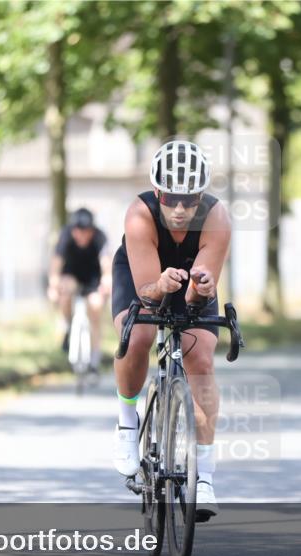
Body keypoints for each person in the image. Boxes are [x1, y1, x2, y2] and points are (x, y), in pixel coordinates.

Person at [110, 140, 231, 521]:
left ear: (201, 196)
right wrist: (161, 286)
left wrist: (201, 288)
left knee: (201, 358)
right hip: (142, 279)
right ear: (158, 192)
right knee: (140, 337)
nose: (180, 210)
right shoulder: (139, 215)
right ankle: (127, 422)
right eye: (172, 199)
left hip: (189, 283)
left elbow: (196, 302)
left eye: (190, 200)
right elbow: (147, 294)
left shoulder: (217, 218)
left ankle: (205, 475)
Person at [47, 207, 110, 373]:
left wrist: (106, 282)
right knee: (65, 291)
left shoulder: (100, 237)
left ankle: (95, 358)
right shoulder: (65, 235)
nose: (82, 236)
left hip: (93, 278)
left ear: (91, 230)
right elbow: (56, 264)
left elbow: (106, 264)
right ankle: (67, 325)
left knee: (95, 308)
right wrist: (53, 286)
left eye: (86, 232)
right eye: (78, 232)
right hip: (71, 275)